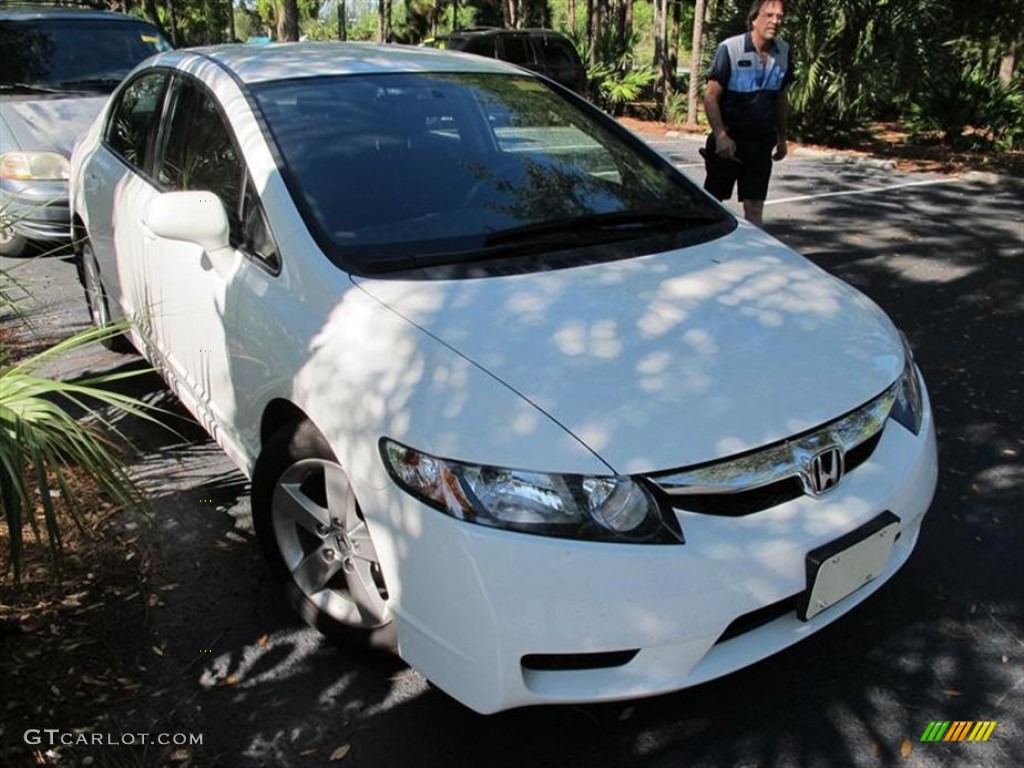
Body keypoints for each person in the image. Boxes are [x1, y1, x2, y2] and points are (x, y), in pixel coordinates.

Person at [703, 0, 793, 227]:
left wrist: (782, 138)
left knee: (754, 206)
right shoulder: (730, 48)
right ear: (754, 18)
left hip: (761, 144)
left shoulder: (784, 51)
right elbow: (711, 96)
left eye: (779, 16)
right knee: (713, 205)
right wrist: (721, 135)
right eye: (769, 15)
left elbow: (781, 98)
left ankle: (753, 257)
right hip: (729, 143)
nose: (775, 21)